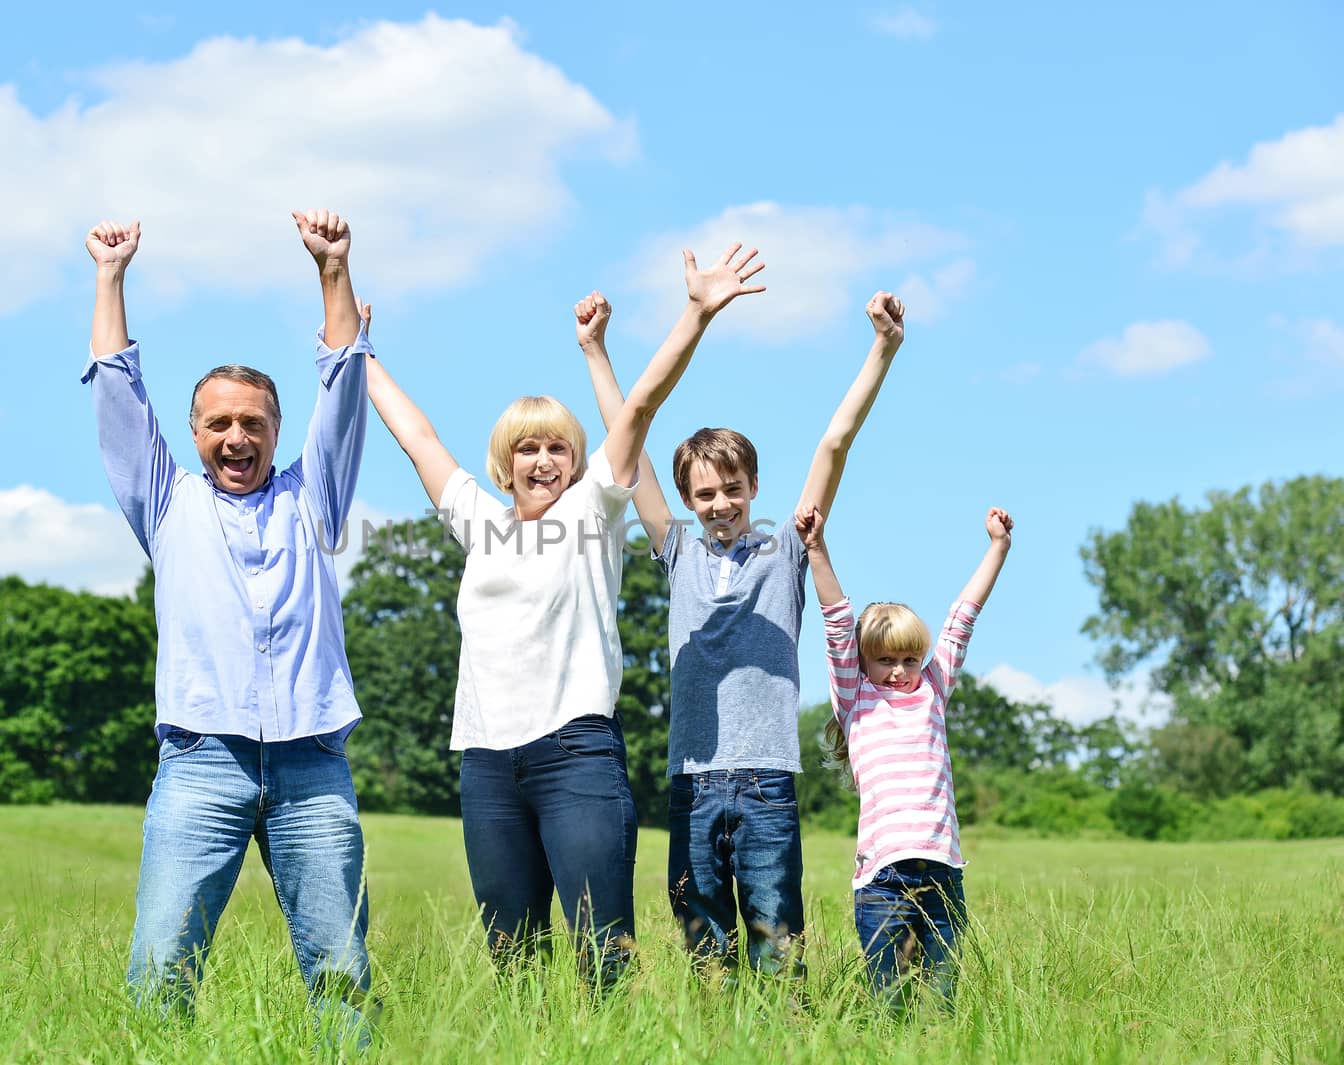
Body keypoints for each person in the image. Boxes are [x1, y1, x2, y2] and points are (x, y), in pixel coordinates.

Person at [362, 244, 766, 984]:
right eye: (527, 448)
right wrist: (357, 353)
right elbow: (415, 435)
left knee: (602, 957)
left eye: (558, 447)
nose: (542, 459)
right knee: (511, 958)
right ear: (504, 460)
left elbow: (641, 403)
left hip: (575, 753)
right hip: (486, 762)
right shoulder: (477, 521)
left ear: (579, 462)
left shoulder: (592, 510)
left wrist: (696, 313)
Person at [81, 210, 375, 1041]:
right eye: (220, 423)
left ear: (278, 431)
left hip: (313, 763)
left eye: (254, 422)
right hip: (200, 760)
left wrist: (332, 270)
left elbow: (345, 382)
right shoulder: (167, 501)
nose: (237, 436)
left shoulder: (314, 495)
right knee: (159, 965)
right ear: (195, 434)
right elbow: (114, 390)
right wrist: (111, 276)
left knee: (341, 973)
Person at [577, 290, 907, 974]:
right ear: (689, 503)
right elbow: (625, 444)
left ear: (753, 484)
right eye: (704, 494)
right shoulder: (679, 554)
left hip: (766, 781)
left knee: (778, 942)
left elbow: (834, 443)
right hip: (691, 782)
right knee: (705, 948)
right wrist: (596, 351)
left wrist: (882, 347)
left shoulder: (785, 551)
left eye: (731, 488)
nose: (720, 503)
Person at [798, 501, 1015, 1008]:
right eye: (885, 659)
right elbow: (836, 621)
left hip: (943, 871)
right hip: (883, 879)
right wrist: (816, 548)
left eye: (909, 659)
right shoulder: (856, 698)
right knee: (891, 1004)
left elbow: (963, 618)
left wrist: (998, 548)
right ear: (864, 660)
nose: (899, 670)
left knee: (940, 1003)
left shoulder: (933, 689)